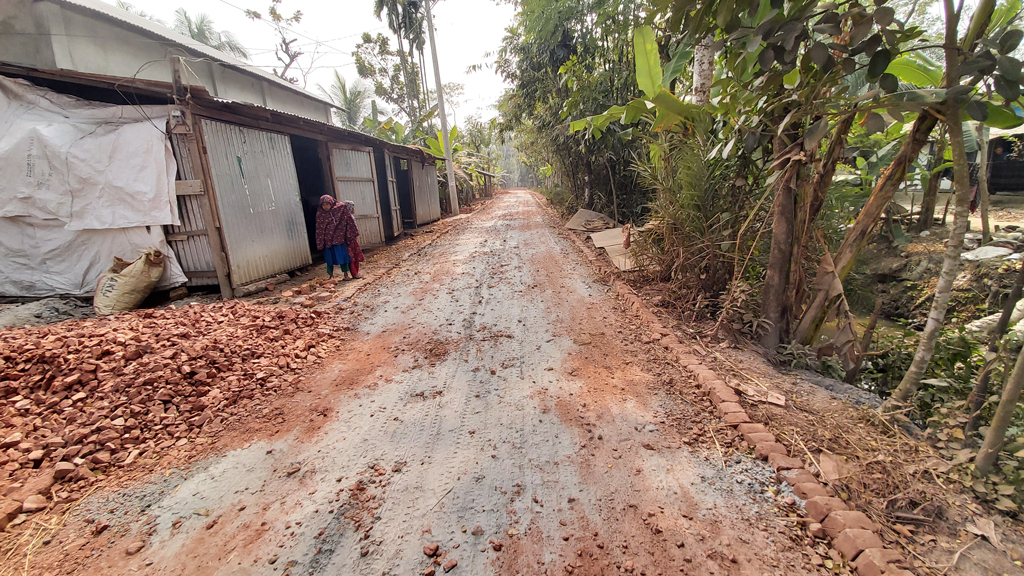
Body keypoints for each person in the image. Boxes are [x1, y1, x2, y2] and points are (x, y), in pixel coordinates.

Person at [315, 194, 358, 280]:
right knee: (329, 259)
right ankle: (331, 276)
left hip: (338, 239)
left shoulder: (339, 210)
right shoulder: (320, 214)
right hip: (327, 240)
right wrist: (320, 241)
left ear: (331, 203)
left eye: (327, 204)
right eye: (323, 204)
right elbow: (319, 228)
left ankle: (346, 275)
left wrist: (348, 234)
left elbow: (347, 220)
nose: (325, 206)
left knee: (343, 257)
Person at [343, 200, 365, 279]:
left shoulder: (343, 217)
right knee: (354, 257)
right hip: (351, 241)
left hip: (348, 241)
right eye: (353, 207)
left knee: (352, 257)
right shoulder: (350, 217)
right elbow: (354, 229)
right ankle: (355, 273)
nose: (354, 209)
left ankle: (354, 273)